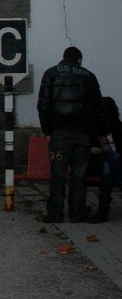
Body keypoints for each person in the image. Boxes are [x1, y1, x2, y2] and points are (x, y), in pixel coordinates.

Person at [37, 46, 105, 223]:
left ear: (63, 58)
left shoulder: (50, 73)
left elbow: (43, 105)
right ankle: (77, 213)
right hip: (82, 135)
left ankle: (55, 214)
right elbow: (98, 109)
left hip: (59, 135)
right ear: (79, 60)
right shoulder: (88, 75)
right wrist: (99, 135)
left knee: (58, 175)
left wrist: (47, 130)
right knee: (79, 175)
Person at [88, 96, 122, 223]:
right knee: (109, 158)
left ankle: (103, 212)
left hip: (110, 169)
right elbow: (87, 152)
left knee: (107, 167)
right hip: (93, 166)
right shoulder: (93, 131)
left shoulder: (118, 129)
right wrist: (93, 150)